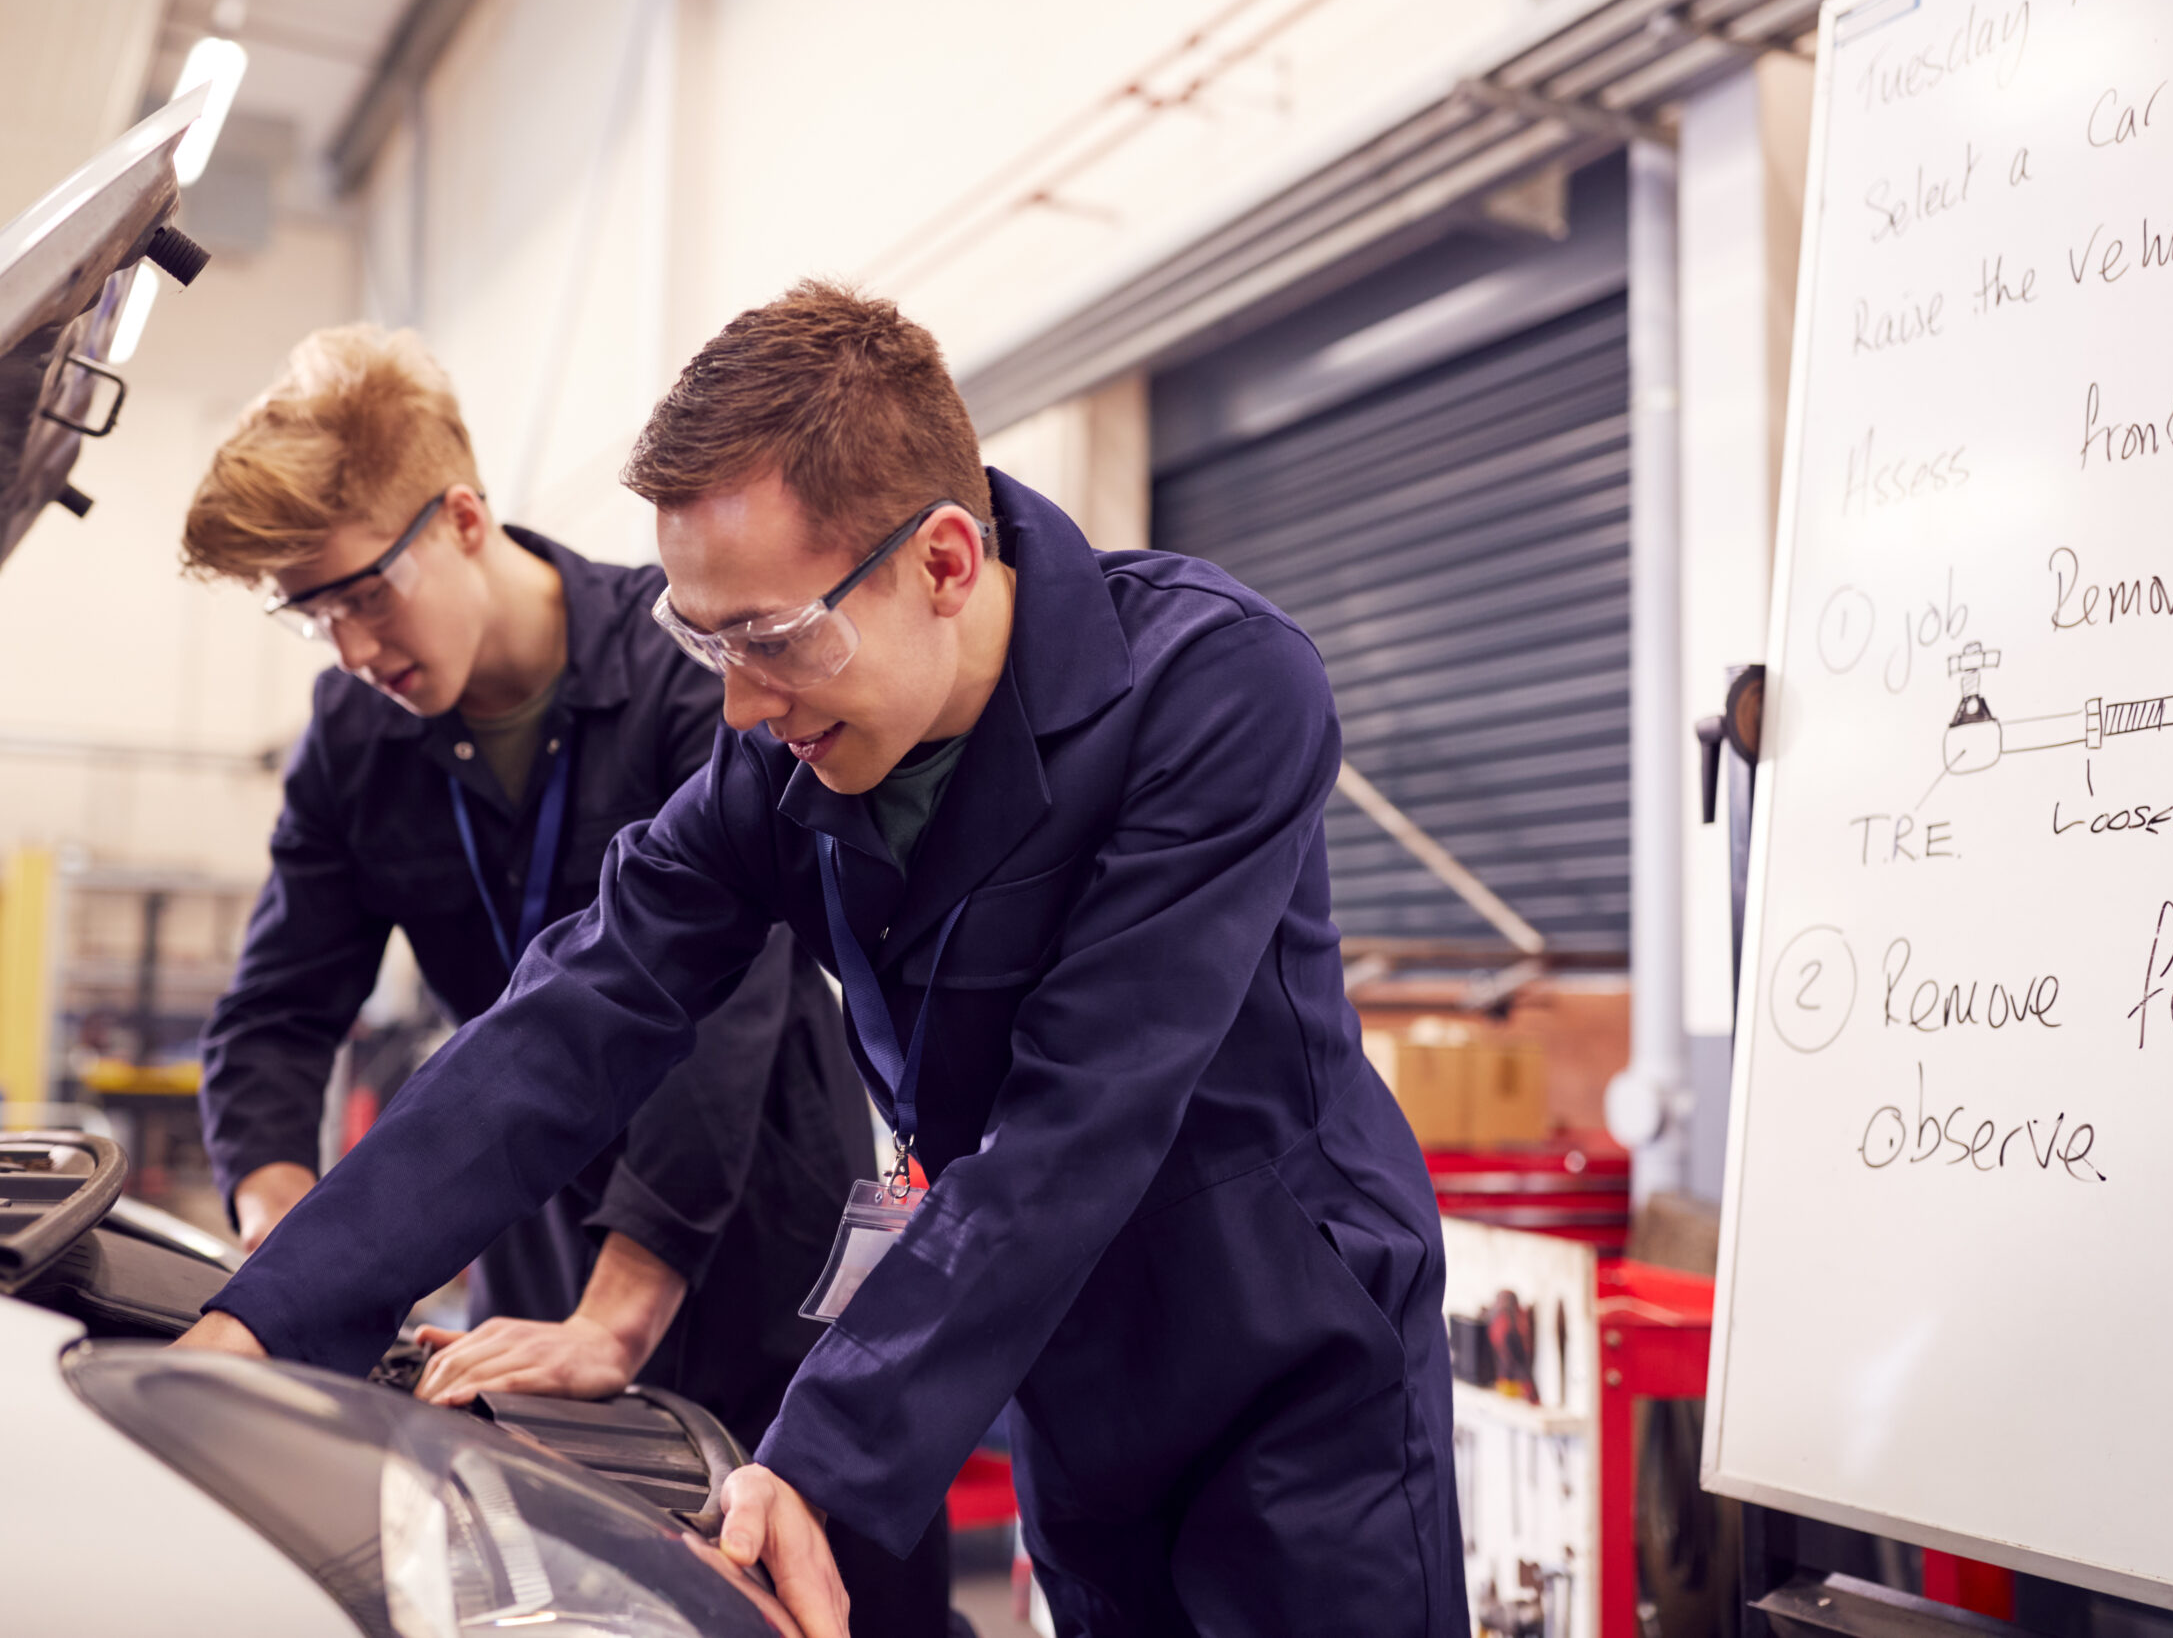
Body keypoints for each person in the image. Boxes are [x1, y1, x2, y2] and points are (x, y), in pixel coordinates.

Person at [181, 286, 1464, 1638]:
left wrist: (820, 1454)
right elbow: (574, 1013)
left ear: (947, 566)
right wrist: (272, 1314)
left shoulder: (1218, 692)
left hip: (1286, 1365)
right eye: (705, 638)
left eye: (774, 637)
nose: (738, 703)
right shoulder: (781, 759)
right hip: (1054, 1352)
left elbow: (1081, 1120)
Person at [179, 325, 952, 1631]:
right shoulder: (356, 739)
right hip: (530, 1197)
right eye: (311, 611)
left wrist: (617, 1319)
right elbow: (278, 1010)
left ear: (461, 519)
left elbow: (716, 1014)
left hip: (758, 1206)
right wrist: (288, 1247)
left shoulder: (687, 669)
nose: (350, 644)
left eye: (362, 590)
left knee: (830, 1583)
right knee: (562, 1596)